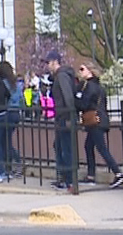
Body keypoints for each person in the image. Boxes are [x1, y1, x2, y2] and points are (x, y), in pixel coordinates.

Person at [75, 60, 123, 187]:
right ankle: (91, 176)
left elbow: (84, 104)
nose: (80, 72)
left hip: (95, 121)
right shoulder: (98, 86)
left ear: (90, 71)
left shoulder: (89, 86)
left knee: (101, 148)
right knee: (88, 146)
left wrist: (77, 98)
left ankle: (118, 174)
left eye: (82, 69)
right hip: (99, 119)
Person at [45, 49, 78, 190]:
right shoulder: (60, 76)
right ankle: (64, 177)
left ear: (54, 62)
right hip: (61, 116)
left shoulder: (62, 76)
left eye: (48, 62)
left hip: (64, 117)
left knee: (65, 148)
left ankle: (68, 179)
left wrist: (70, 115)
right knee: (59, 146)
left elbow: (68, 96)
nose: (47, 65)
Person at [0, 61, 24, 177]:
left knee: (5, 141)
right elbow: (21, 99)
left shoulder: (3, 84)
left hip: (7, 112)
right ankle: (11, 163)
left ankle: (15, 163)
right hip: (16, 113)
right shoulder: (16, 84)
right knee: (6, 140)